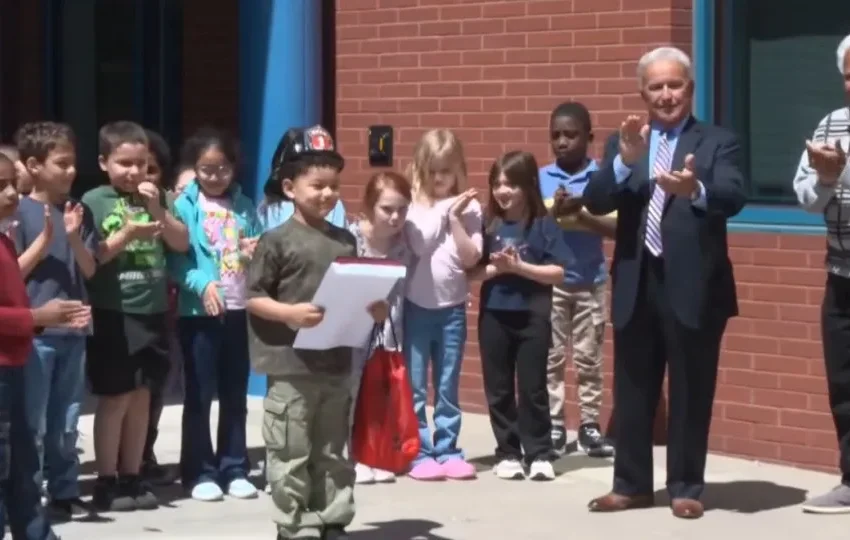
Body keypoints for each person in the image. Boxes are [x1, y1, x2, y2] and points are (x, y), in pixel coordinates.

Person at [582, 46, 746, 519]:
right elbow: (595, 201)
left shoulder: (717, 141)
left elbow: (734, 194)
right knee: (633, 389)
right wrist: (622, 162)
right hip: (637, 280)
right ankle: (630, 486)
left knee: (692, 389)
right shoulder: (626, 142)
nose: (666, 94)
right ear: (643, 94)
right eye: (656, 87)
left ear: (689, 89)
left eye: (675, 85)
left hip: (694, 284)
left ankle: (685, 487)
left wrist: (694, 189)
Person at [245, 125, 387, 540]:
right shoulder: (275, 241)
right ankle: (294, 524)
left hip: (335, 362)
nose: (327, 194)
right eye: (317, 185)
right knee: (290, 449)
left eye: (334, 186)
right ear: (290, 188)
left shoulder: (345, 241)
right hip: (290, 366)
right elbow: (253, 297)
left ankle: (332, 517)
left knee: (331, 449)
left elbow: (356, 294)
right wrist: (288, 312)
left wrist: (374, 309)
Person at [82, 121, 189, 512]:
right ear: (103, 162)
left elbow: (181, 242)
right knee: (117, 396)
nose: (133, 171)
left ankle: (133, 474)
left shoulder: (156, 196)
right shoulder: (94, 200)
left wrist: (157, 208)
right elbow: (91, 258)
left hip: (153, 310)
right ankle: (106, 479)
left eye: (140, 164)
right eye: (124, 163)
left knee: (144, 395)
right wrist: (127, 234)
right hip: (114, 310)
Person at [0, 150, 91, 540]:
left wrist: (46, 318)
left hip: (16, 366)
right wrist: (36, 317)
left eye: (12, 184)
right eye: (0, 186)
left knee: (22, 467)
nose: (11, 194)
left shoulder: (4, 241)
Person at [169, 127, 261, 502]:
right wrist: (203, 284)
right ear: (195, 168)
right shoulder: (184, 206)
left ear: (233, 167)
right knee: (200, 394)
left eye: (222, 168)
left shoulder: (244, 205)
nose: (214, 176)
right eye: (206, 169)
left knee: (235, 393)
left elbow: (256, 248)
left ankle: (234, 466)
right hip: (199, 313)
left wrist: (254, 252)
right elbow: (177, 260)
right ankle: (199, 470)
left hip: (238, 309)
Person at [473, 151, 570, 481]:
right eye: (497, 184)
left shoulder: (544, 224)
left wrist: (519, 267)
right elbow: (471, 272)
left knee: (533, 388)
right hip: (494, 315)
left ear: (528, 185)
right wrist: (496, 268)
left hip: (533, 316)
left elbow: (558, 272)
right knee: (498, 388)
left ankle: (540, 452)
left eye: (511, 184)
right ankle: (508, 453)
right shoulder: (488, 225)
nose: (503, 191)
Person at [403, 129, 483, 481]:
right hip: (416, 308)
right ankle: (419, 452)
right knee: (416, 386)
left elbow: (472, 257)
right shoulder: (413, 205)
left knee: (447, 384)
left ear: (458, 170)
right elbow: (419, 245)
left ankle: (448, 449)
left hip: (452, 310)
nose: (439, 178)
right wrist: (444, 211)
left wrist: (455, 219)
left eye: (446, 171)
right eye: (432, 170)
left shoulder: (469, 207)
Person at [792, 34, 850, 514]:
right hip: (841, 276)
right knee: (845, 386)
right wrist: (828, 177)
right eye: (849, 75)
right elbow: (808, 200)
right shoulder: (830, 125)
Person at [540, 102, 617, 458]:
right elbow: (533, 226)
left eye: (570, 135)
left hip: (591, 281)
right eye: (555, 135)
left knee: (589, 358)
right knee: (552, 357)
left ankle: (588, 426)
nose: (562, 142)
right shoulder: (541, 177)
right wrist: (553, 213)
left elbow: (615, 228)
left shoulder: (602, 178)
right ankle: (554, 424)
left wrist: (581, 213)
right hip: (552, 283)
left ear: (589, 137)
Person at [348, 171, 412, 485]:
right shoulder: (350, 239)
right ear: (369, 206)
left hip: (388, 333)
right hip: (353, 332)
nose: (395, 217)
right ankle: (351, 456)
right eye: (387, 209)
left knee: (380, 395)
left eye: (402, 209)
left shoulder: (404, 245)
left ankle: (376, 454)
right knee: (351, 393)